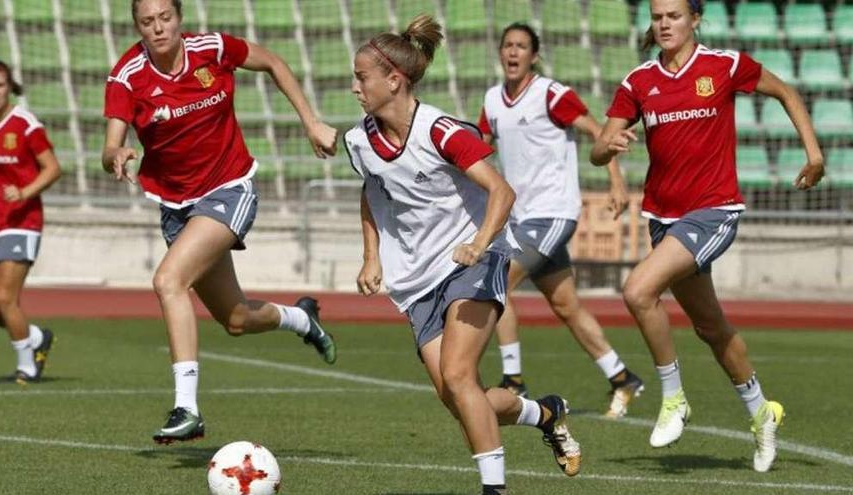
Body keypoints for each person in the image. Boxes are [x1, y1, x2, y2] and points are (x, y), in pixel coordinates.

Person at [347, 15, 581, 495]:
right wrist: (371, 255)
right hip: (416, 281)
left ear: (395, 80)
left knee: (458, 375)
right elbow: (372, 191)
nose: (355, 86)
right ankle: (546, 413)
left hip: (476, 260)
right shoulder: (359, 140)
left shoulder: (442, 131)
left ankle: (494, 489)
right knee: (459, 399)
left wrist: (479, 243)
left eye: (361, 76)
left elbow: (501, 190)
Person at [592, 0, 824, 472]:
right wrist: (606, 146)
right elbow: (600, 145)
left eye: (674, 15)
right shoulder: (638, 82)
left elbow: (787, 94)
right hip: (664, 218)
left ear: (695, 19)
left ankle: (674, 398)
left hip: (714, 210)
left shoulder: (724, 66)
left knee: (637, 290)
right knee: (711, 328)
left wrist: (815, 154)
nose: (664, 24)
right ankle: (762, 412)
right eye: (657, 17)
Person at [102, 0, 338, 445]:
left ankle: (187, 408)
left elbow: (271, 61)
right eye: (147, 22)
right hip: (176, 206)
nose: (158, 28)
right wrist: (116, 155)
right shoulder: (127, 76)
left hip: (230, 187)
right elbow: (109, 144)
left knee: (168, 280)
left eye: (165, 18)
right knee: (235, 319)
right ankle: (302, 320)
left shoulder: (212, 49)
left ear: (180, 17)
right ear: (137, 26)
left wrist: (311, 122)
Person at [479, 22, 644, 418]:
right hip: (521, 217)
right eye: (508, 46)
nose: (513, 52)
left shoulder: (551, 94)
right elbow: (479, 150)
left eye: (521, 46)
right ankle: (622, 378)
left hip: (553, 212)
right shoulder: (491, 100)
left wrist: (616, 183)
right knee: (566, 305)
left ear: (534, 55)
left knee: (495, 281)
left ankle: (513, 380)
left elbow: (599, 133)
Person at [0, 59, 61, 385]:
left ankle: (27, 365)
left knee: (6, 299)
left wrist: (24, 191)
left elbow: (52, 168)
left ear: (8, 86)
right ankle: (35, 337)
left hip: (22, 221)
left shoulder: (25, 124)